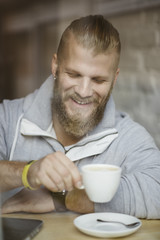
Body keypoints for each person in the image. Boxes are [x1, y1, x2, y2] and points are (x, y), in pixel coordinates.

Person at [0, 15, 160, 219]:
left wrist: (64, 198)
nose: (84, 92)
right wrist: (28, 172)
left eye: (98, 80)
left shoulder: (129, 137)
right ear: (55, 66)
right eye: (74, 75)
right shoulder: (8, 117)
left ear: (114, 79)